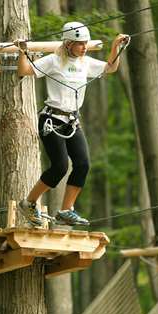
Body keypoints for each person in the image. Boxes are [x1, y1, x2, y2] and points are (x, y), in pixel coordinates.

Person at [17, 22, 129, 226]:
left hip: (72, 121)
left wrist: (116, 47)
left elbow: (110, 67)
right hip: (52, 120)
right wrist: (23, 51)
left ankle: (66, 210)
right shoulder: (53, 61)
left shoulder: (86, 62)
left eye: (85, 43)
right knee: (60, 166)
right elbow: (24, 70)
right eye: (79, 44)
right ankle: (29, 203)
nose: (84, 47)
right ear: (68, 44)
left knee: (83, 164)